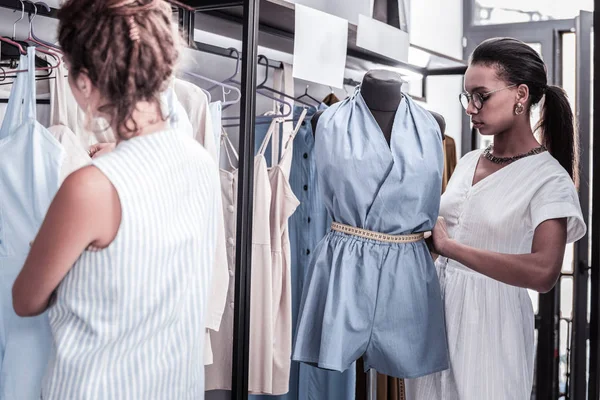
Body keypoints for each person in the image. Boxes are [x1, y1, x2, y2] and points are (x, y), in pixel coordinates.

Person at [12, 0, 220, 398]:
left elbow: (26, 299)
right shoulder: (199, 162)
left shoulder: (90, 188)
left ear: (85, 82)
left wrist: (47, 247)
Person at [406, 37, 586, 399]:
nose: (471, 108)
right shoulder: (470, 160)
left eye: (481, 96)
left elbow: (543, 273)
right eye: (466, 96)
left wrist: (451, 248)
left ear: (521, 95)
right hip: (433, 318)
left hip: (491, 324)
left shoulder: (549, 179)